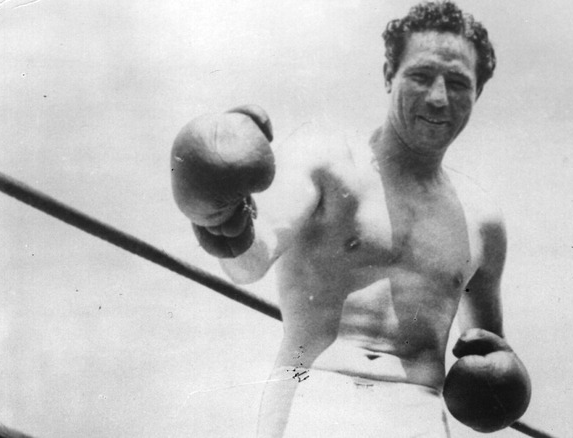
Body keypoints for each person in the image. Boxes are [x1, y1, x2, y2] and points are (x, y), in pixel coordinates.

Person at [171, 1, 530, 436]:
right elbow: (248, 262)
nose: (438, 97)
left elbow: (487, 356)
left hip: (418, 414)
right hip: (315, 396)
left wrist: (503, 388)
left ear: (477, 93)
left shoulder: (480, 220)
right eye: (420, 76)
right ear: (388, 75)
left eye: (458, 83)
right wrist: (221, 216)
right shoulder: (327, 158)